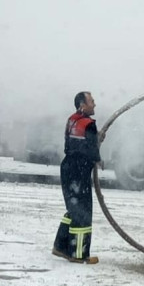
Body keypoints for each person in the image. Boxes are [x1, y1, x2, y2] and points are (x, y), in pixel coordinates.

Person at [52, 91, 103, 264]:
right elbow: (89, 148)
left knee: (73, 208)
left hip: (68, 167)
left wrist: (96, 140)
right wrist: (98, 158)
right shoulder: (89, 124)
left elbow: (75, 143)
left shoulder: (72, 119)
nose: (94, 104)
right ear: (82, 104)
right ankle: (79, 254)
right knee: (83, 212)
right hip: (79, 171)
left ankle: (60, 246)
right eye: (92, 101)